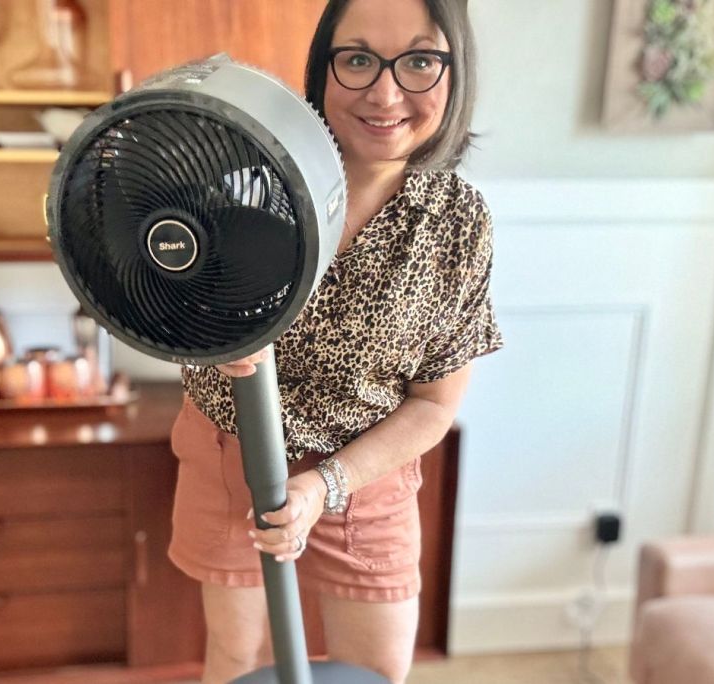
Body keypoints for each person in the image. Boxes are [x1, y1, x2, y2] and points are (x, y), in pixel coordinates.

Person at [168, 0, 503, 681]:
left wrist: (328, 485)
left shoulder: (458, 223)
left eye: (418, 62)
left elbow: (434, 405)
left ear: (454, 71)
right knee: (237, 661)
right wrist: (208, 337)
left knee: (378, 669)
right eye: (356, 60)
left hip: (366, 478)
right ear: (323, 70)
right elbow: (164, 295)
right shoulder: (245, 181)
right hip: (231, 456)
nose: (385, 93)